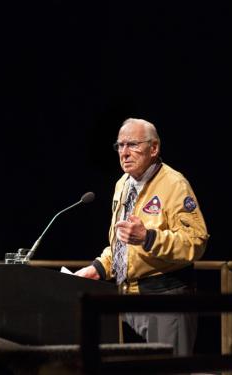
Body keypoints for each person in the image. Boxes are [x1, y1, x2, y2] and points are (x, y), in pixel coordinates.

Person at [75, 118, 209, 356]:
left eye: (132, 145)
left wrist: (148, 238)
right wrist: (99, 268)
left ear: (154, 148)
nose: (124, 153)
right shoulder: (122, 185)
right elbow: (121, 244)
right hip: (124, 299)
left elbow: (196, 241)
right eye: (120, 146)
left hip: (165, 300)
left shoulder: (174, 184)